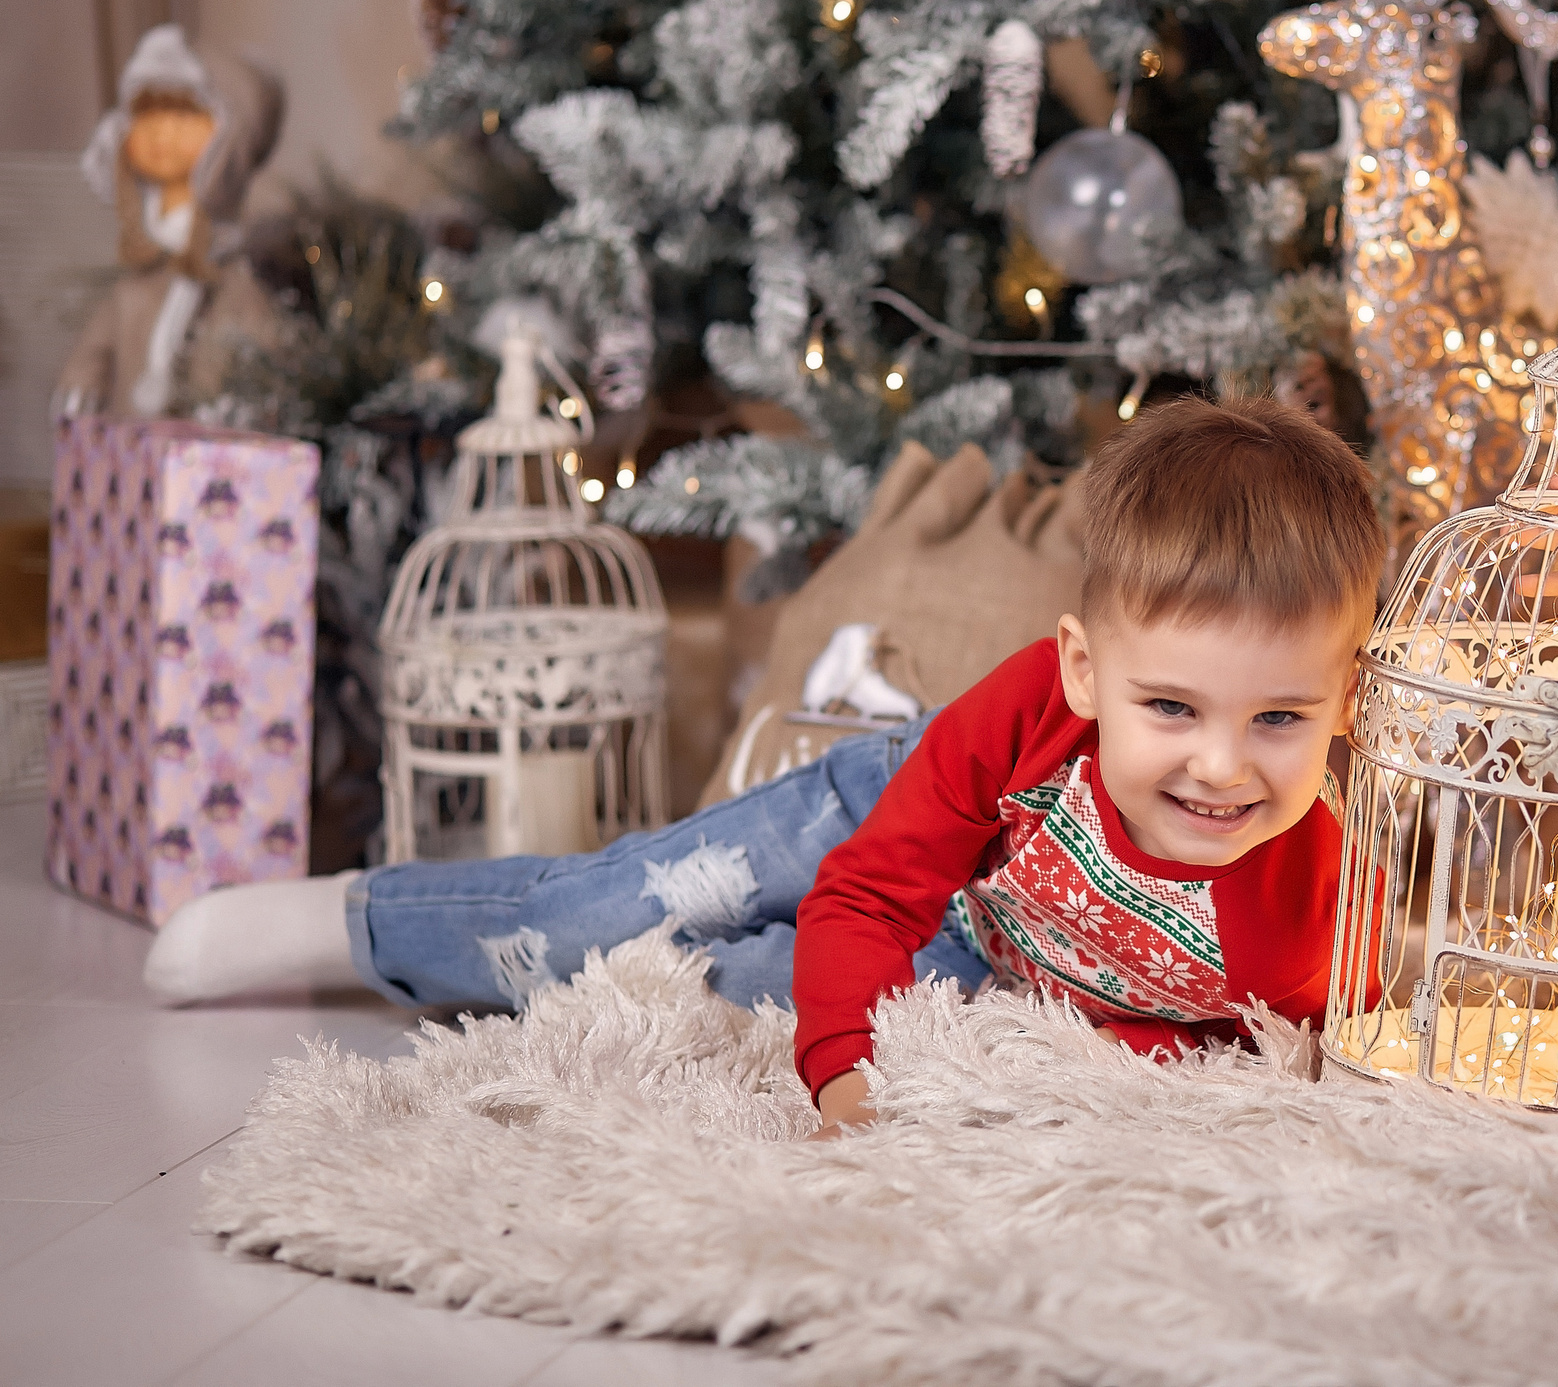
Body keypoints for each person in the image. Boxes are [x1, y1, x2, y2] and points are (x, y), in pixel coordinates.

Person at [145, 398, 1388, 1132]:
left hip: (975, 952)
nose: (1221, 767)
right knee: (606, 908)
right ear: (1082, 671)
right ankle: (345, 923)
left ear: (1348, 697)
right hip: (887, 821)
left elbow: (1212, 1031)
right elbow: (871, 893)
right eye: (1169, 706)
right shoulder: (1027, 714)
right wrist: (842, 1077)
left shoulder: (1324, 910)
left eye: (1280, 718)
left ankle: (486, 973)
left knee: (693, 986)